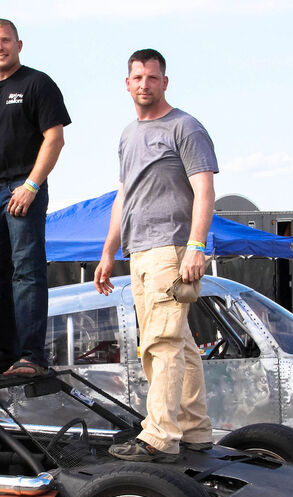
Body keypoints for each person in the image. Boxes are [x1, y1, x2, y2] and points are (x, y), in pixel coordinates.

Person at [95, 49, 218, 462]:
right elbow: (123, 196)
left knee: (160, 343)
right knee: (179, 343)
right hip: (139, 251)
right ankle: (196, 429)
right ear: (127, 84)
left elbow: (204, 189)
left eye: (152, 77)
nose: (144, 84)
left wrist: (197, 246)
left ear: (165, 82)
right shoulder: (129, 134)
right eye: (137, 77)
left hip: (172, 247)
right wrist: (109, 252)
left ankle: (159, 436)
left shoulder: (186, 127)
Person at [0, 18, 70, 376]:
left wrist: (31, 185)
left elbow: (54, 139)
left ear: (19, 45)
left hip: (22, 189)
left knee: (26, 274)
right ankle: (5, 353)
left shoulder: (37, 83)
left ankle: (31, 356)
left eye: (5, 40)